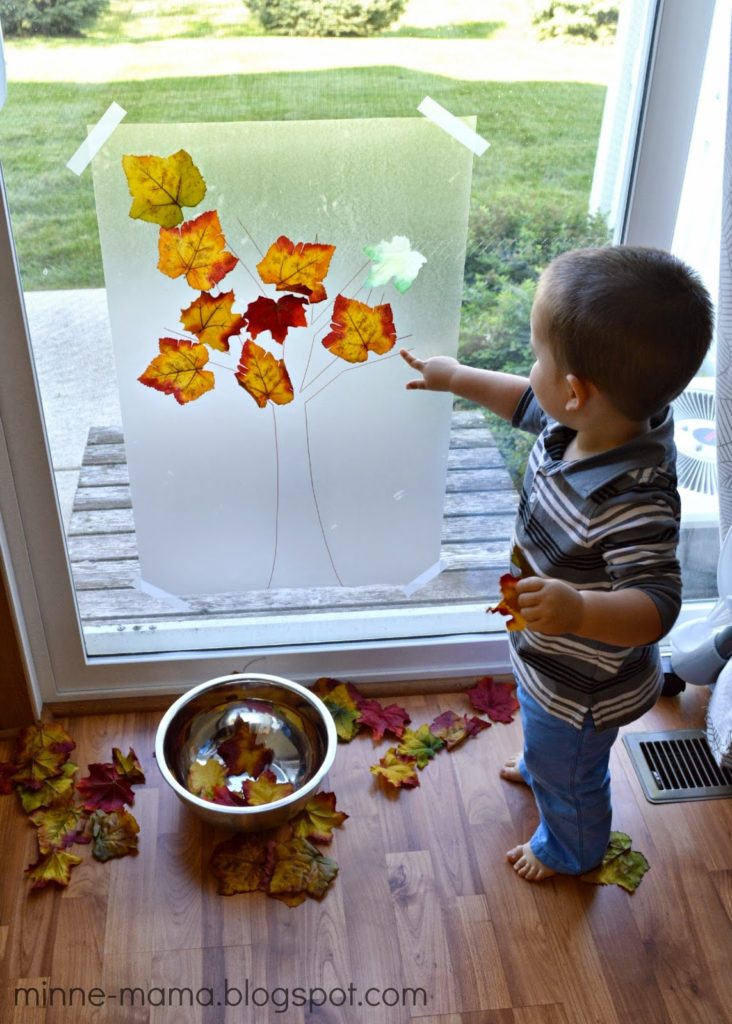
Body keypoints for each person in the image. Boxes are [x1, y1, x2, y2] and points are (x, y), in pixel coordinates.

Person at [400, 246, 714, 882]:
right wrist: (456, 376)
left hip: (584, 685)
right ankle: (547, 759)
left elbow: (657, 605)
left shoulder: (632, 496)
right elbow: (524, 402)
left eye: (538, 353)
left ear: (575, 391)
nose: (530, 366)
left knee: (572, 773)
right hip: (551, 657)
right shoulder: (595, 421)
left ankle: (570, 847)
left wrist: (578, 608)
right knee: (542, 725)